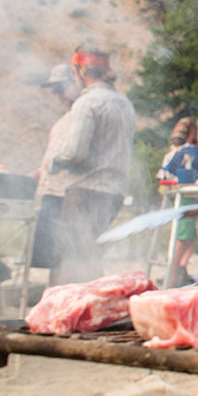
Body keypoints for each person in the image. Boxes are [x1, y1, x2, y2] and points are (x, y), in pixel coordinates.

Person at [49, 46, 136, 285]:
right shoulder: (124, 103)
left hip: (86, 189)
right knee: (89, 254)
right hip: (114, 190)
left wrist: (57, 160)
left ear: (79, 72)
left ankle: (65, 316)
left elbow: (75, 152)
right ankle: (94, 311)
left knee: (73, 258)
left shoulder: (87, 103)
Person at [29, 64, 80, 274]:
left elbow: (76, 154)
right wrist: (37, 174)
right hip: (50, 192)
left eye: (61, 88)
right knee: (51, 255)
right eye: (55, 90)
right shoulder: (64, 120)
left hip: (65, 193)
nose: (58, 94)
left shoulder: (81, 115)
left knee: (65, 252)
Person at [158, 117, 198, 286]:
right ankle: (173, 274)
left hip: (170, 195)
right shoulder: (190, 151)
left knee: (188, 235)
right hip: (185, 195)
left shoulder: (172, 150)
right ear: (191, 132)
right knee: (183, 236)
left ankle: (181, 269)